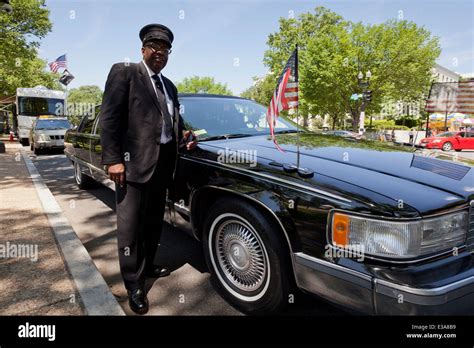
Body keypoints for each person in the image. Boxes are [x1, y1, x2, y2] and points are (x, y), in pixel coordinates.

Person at [100, 23, 196, 315]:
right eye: (154, 47)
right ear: (143, 49)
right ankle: (133, 283)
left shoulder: (170, 86)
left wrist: (186, 135)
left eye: (165, 49)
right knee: (130, 229)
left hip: (162, 168)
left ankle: (148, 264)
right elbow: (110, 119)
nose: (160, 53)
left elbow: (172, 121)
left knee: (154, 223)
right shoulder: (125, 72)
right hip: (131, 166)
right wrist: (113, 159)